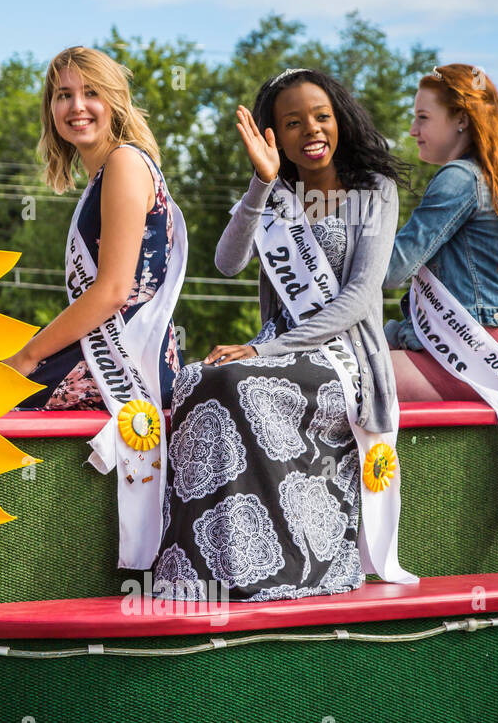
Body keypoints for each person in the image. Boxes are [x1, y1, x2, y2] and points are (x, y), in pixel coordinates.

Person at [152, 68, 409, 602]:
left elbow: (361, 299)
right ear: (273, 136)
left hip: (343, 359)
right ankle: (206, 568)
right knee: (200, 377)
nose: (310, 131)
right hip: (278, 349)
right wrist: (262, 183)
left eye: (321, 117)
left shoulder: (372, 191)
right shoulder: (278, 193)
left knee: (241, 381)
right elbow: (228, 261)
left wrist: (263, 349)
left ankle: (292, 567)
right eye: (292, 123)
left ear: (340, 119)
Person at [6, 45, 181, 409]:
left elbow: (114, 291)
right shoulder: (104, 175)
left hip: (122, 367)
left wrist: (26, 358)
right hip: (114, 354)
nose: (76, 107)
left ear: (114, 101)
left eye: (91, 93)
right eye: (63, 95)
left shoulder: (123, 163)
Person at [385, 65, 498, 400]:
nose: (411, 130)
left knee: (341, 380)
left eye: (423, 117)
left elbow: (391, 269)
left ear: (461, 119)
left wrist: (342, 245)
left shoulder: (460, 176)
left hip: (466, 353)